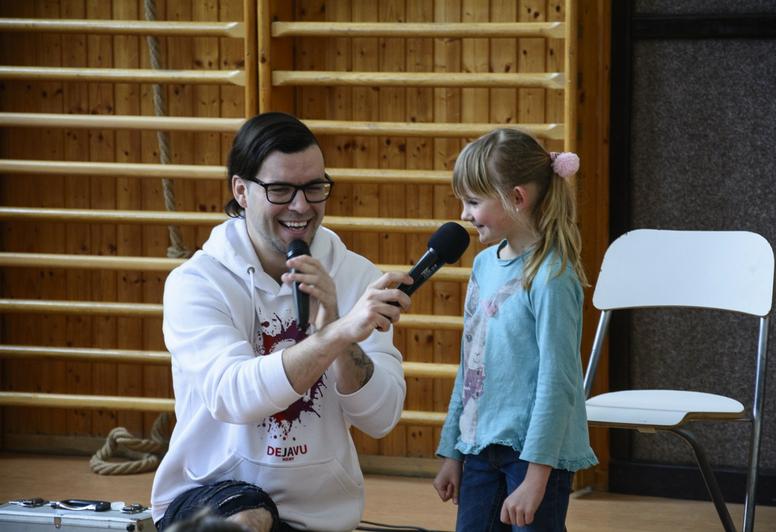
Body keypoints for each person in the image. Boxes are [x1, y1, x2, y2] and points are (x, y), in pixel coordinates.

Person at [151, 112, 413, 532]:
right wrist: (334, 335)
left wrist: (341, 336)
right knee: (249, 517)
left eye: (314, 187)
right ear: (241, 190)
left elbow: (381, 418)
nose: (301, 206)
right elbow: (232, 396)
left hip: (321, 514)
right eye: (280, 190)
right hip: (210, 493)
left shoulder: (356, 275)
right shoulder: (197, 282)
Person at [432, 128, 598, 531]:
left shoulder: (552, 276)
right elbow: (469, 364)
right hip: (479, 449)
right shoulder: (483, 265)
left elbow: (557, 381)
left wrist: (535, 478)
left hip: (534, 455)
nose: (464, 214)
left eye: (473, 202)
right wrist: (452, 450)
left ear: (517, 198)